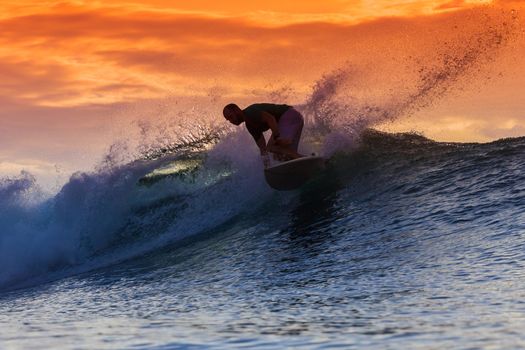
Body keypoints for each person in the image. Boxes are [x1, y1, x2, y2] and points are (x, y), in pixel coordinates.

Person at [222, 103, 305, 167]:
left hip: (289, 115)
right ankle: (304, 163)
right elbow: (263, 149)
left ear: (237, 110)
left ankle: (302, 159)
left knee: (273, 147)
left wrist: (277, 138)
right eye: (228, 119)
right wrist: (267, 167)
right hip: (291, 120)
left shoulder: (250, 112)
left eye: (231, 116)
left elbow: (270, 118)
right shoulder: (250, 126)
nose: (231, 121)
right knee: (278, 156)